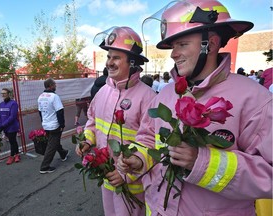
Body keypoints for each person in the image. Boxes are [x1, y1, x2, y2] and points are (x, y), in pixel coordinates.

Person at [117, 1, 272, 215]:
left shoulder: (255, 99)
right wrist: (139, 158)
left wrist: (202, 162)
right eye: (173, 47)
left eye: (182, 44)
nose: (173, 54)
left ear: (213, 43)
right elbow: (147, 137)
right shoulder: (165, 94)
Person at [75, 26, 156, 216]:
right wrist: (87, 140)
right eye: (109, 57)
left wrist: (126, 174)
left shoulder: (149, 97)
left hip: (134, 185)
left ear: (133, 62)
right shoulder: (103, 91)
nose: (109, 63)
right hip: (107, 179)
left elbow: (153, 143)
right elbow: (93, 121)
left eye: (116, 58)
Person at [38, 78, 70, 174]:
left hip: (46, 124)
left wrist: (44, 121)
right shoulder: (54, 97)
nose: (56, 86)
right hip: (54, 124)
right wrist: (62, 124)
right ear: (51, 85)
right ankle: (44, 167)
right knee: (51, 145)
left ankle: (63, 153)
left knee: (53, 141)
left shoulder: (41, 96)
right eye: (55, 84)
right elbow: (60, 111)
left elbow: (40, 112)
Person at [0, 88, 21, 165]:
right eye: (2, 93)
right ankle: (17, 154)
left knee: (12, 141)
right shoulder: (1, 104)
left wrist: (3, 125)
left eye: (4, 93)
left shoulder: (13, 104)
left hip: (12, 127)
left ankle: (11, 156)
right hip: (5, 127)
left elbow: (12, 117)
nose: (3, 95)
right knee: (12, 141)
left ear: (8, 94)